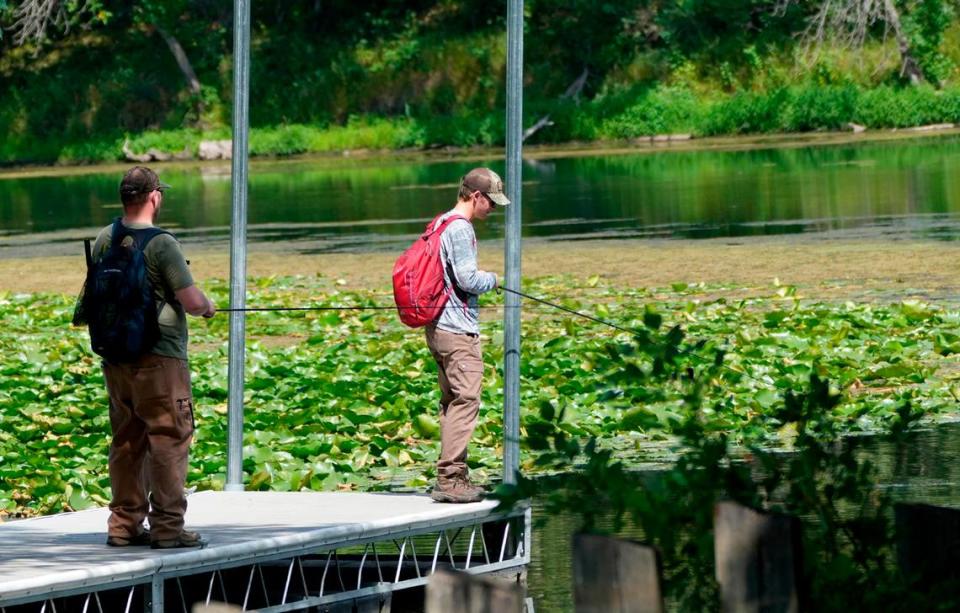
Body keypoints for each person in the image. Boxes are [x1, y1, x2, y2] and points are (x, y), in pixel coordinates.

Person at [94, 166, 216, 548]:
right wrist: (208, 307)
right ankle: (167, 528)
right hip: (160, 359)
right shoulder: (162, 244)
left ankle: (123, 526)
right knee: (168, 439)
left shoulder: (104, 238)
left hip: (116, 358)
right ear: (154, 197)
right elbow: (192, 301)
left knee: (127, 440)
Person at [426, 167, 510, 503]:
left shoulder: (440, 221)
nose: (492, 209)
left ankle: (454, 476)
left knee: (451, 403)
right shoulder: (460, 228)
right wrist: (494, 279)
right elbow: (467, 279)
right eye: (491, 202)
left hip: (437, 328)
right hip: (457, 330)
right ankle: (450, 479)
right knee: (467, 400)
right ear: (476, 196)